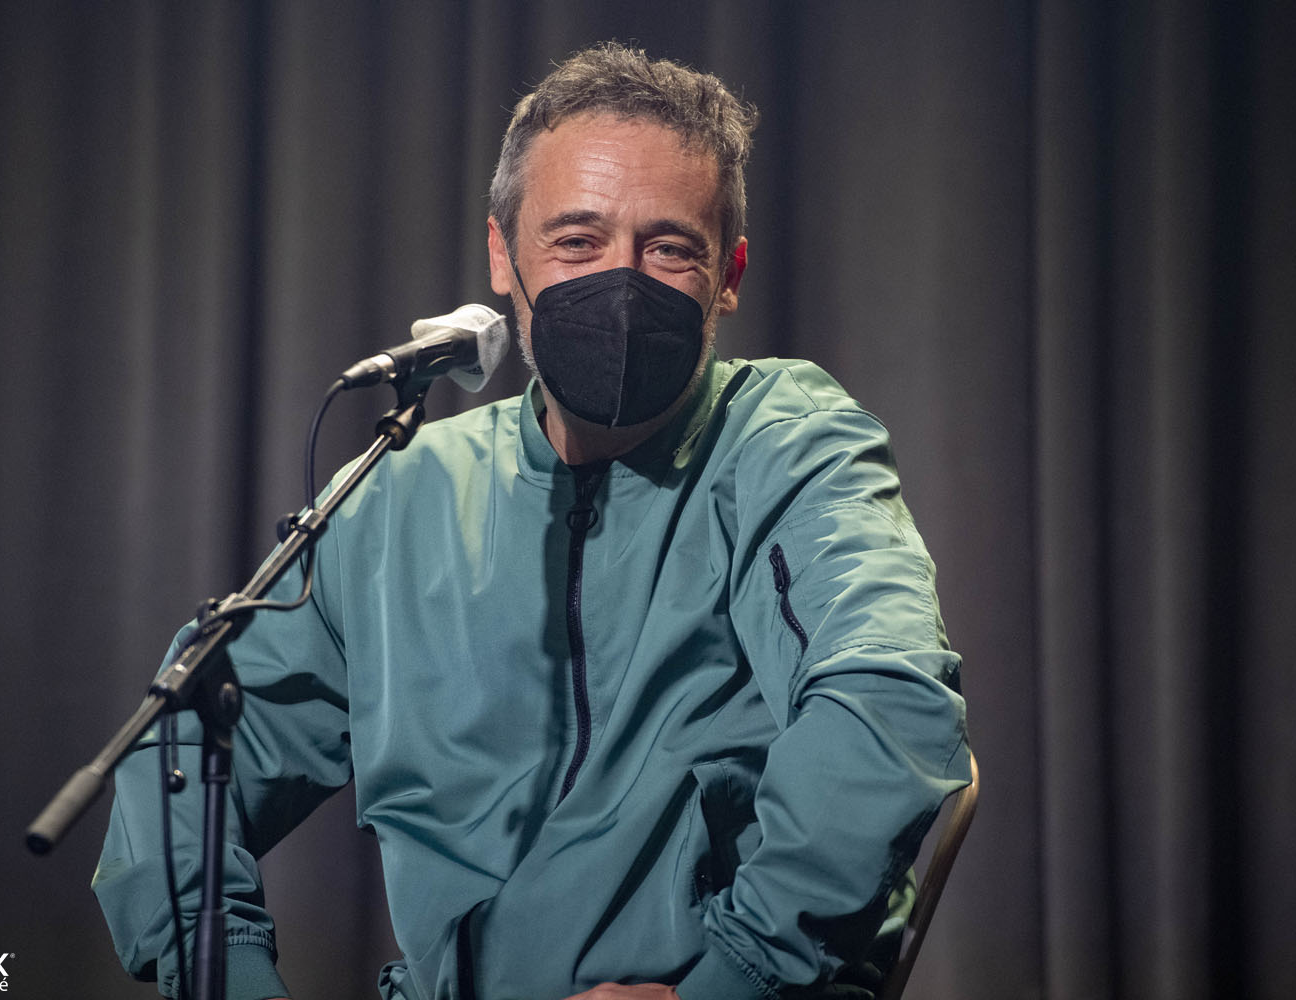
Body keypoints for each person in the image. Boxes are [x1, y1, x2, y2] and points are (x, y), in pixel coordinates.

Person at [93, 42, 972, 1000]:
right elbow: (180, 752)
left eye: (669, 248)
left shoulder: (787, 447)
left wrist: (736, 979)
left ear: (729, 275)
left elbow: (888, 702)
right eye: (577, 242)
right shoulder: (396, 496)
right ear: (501, 257)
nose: (622, 283)